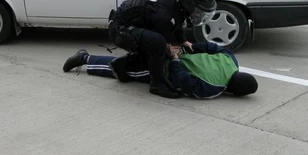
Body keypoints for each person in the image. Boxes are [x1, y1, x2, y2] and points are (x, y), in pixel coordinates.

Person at [107, 0, 217, 99]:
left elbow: (178, 20)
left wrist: (183, 41)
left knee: (157, 48)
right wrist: (171, 54)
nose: (199, 15)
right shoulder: (162, 14)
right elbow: (163, 42)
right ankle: (157, 85)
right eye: (199, 12)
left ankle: (120, 64)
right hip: (119, 29)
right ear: (189, 4)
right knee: (158, 45)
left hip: (131, 24)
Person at [62, 42, 258, 99]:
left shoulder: (231, 60)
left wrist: (188, 47)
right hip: (166, 67)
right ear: (233, 92)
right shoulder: (214, 88)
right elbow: (182, 82)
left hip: (178, 53)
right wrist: (174, 60)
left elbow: (214, 47)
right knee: (128, 70)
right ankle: (85, 59)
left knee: (130, 61)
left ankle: (85, 57)